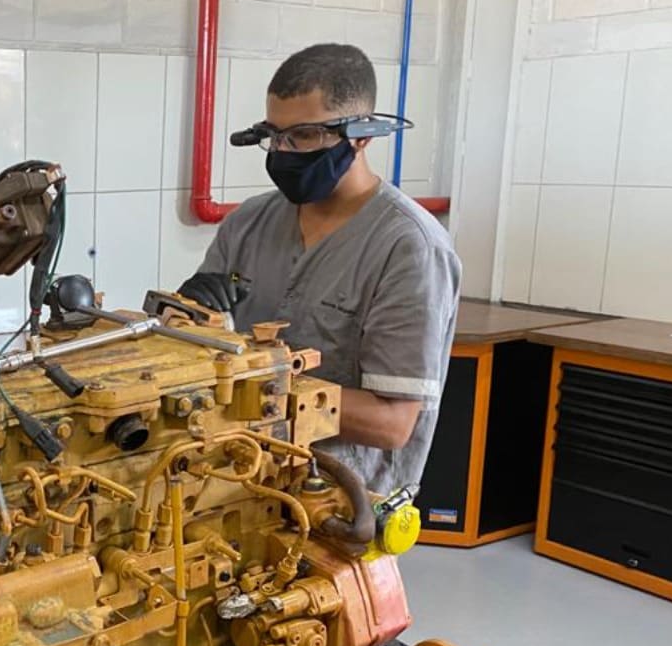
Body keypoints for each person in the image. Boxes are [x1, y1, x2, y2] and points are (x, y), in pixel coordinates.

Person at [177, 43, 461, 496]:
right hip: (242, 479)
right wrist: (187, 315)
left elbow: (391, 424)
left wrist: (262, 386)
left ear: (362, 134)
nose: (284, 152)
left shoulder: (408, 247)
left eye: (305, 136)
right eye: (275, 135)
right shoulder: (249, 223)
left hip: (340, 499)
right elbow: (199, 347)